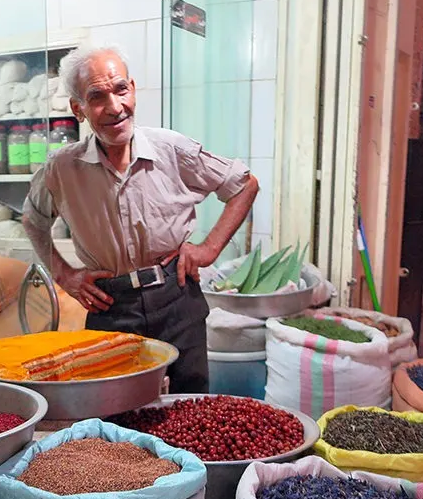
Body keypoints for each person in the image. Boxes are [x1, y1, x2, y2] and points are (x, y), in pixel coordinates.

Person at [22, 44, 259, 393]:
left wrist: (208, 249)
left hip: (176, 296)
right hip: (110, 307)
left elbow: (243, 185)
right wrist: (64, 275)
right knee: (117, 417)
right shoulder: (62, 168)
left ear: (132, 89)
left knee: (188, 408)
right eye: (97, 96)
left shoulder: (170, 149)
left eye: (121, 89)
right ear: (79, 109)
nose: (115, 107)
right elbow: (33, 220)